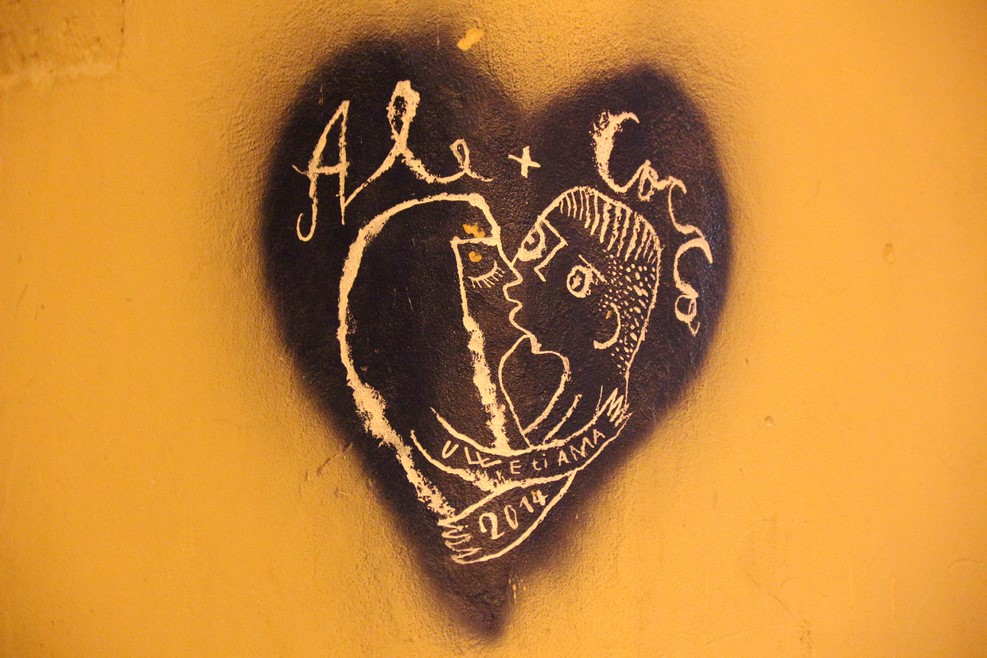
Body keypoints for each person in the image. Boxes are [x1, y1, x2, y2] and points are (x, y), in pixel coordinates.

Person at [501, 186, 661, 444]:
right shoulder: (562, 420)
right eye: (532, 244)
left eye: (576, 280)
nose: (515, 275)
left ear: (605, 325)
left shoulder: (589, 420)